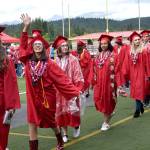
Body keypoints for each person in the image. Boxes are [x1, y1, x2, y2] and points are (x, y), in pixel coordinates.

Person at [19, 14, 80, 150]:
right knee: (32, 124)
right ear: (32, 47)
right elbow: (22, 47)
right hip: (32, 99)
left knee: (52, 123)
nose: (38, 46)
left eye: (40, 44)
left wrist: (75, 91)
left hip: (47, 98)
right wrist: (26, 27)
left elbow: (61, 79)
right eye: (35, 44)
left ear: (43, 47)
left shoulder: (50, 64)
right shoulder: (27, 61)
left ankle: (59, 139)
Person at [53, 35, 84, 142]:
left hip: (71, 90)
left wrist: (77, 88)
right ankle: (65, 134)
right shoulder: (55, 60)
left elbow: (78, 74)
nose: (65, 47)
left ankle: (76, 126)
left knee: (73, 111)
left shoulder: (73, 59)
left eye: (66, 45)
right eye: (63, 46)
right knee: (61, 112)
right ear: (59, 48)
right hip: (59, 91)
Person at [91, 34, 119, 131]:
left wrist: (118, 84)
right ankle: (109, 114)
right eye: (102, 44)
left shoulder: (113, 56)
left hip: (109, 84)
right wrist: (93, 82)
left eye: (105, 43)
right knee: (99, 100)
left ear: (108, 44)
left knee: (107, 102)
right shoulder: (97, 57)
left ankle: (106, 122)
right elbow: (94, 70)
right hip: (99, 83)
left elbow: (117, 70)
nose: (103, 45)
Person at [0, 26, 20, 150]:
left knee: (3, 125)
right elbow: (11, 82)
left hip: (2, 99)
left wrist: (10, 105)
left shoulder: (6, 61)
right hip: (2, 99)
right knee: (3, 126)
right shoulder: (6, 60)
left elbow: (10, 83)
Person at [122, 31, 150, 118]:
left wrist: (148, 75)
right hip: (133, 75)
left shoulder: (144, 51)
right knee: (135, 91)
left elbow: (147, 64)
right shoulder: (129, 52)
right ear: (132, 42)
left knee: (139, 90)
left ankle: (137, 110)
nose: (138, 41)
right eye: (135, 40)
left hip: (141, 74)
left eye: (138, 39)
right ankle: (140, 106)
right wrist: (124, 72)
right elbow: (126, 63)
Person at [140, 30, 150, 107]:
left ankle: (147, 100)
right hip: (142, 68)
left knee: (148, 85)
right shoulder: (140, 45)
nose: (146, 37)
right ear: (142, 37)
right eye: (144, 36)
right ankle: (144, 100)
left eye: (147, 36)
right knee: (144, 85)